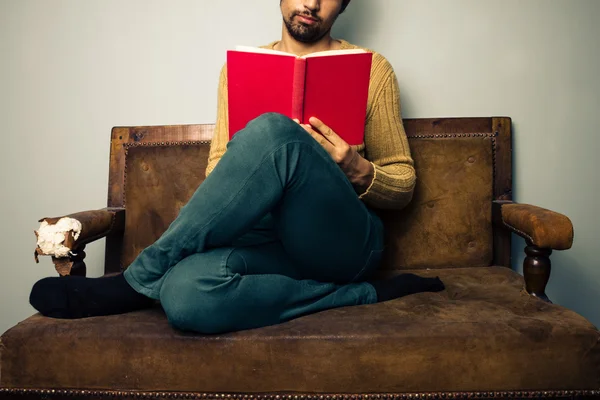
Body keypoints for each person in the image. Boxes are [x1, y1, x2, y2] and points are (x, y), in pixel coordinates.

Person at [29, 0, 444, 334]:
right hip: (270, 245)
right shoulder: (240, 70)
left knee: (273, 131)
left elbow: (404, 183)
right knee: (185, 297)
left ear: (344, 5)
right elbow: (216, 171)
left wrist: (354, 166)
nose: (312, 4)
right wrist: (258, 163)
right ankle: (359, 294)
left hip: (342, 242)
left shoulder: (373, 69)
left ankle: (137, 278)